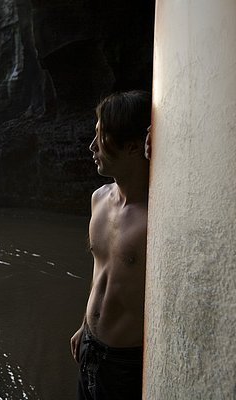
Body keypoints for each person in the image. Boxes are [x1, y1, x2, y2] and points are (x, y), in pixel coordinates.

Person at [71, 90, 152, 400]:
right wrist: (84, 326)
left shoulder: (160, 217)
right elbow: (100, 272)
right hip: (89, 346)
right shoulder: (99, 199)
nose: (92, 146)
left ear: (134, 146)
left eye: (101, 137)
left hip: (127, 362)